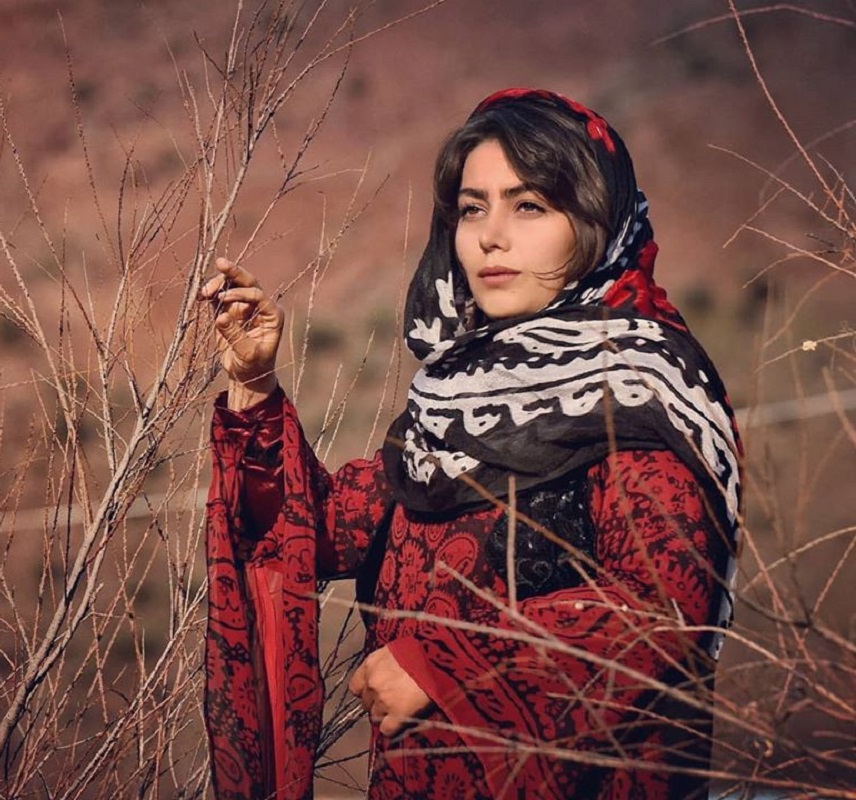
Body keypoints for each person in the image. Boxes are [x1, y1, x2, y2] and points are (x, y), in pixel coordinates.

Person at [200, 89, 741, 800]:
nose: (491, 237)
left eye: (530, 206)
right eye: (472, 208)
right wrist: (254, 387)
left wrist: (444, 666)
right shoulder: (454, 397)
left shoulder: (639, 390)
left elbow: (662, 610)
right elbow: (317, 533)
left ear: (598, 224)